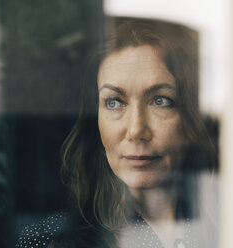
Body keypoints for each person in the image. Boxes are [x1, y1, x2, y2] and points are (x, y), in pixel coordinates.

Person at [16, 18, 218, 248]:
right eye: (114, 102)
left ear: (190, 118)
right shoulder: (50, 242)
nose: (136, 130)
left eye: (160, 101)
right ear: (96, 121)